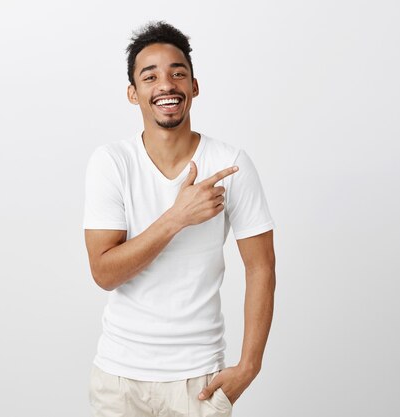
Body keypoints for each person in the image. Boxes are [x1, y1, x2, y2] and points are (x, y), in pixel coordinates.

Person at [83, 21, 276, 417]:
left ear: (194, 86)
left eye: (177, 73)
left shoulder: (230, 163)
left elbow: (261, 267)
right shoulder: (111, 163)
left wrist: (249, 366)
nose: (166, 85)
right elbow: (104, 273)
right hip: (119, 380)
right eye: (149, 76)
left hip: (199, 381)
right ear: (133, 94)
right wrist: (176, 217)